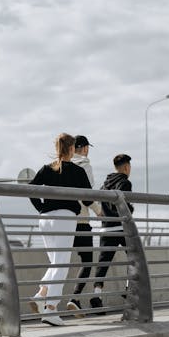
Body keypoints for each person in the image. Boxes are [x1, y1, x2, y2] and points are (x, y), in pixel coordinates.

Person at [28, 133, 93, 326]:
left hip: (45, 219)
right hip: (65, 218)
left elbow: (31, 189)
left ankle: (41, 295)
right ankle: (51, 309)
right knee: (61, 264)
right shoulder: (77, 171)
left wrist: (41, 208)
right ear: (72, 149)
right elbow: (88, 199)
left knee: (56, 262)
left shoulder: (47, 168)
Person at [91, 154, 134, 313]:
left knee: (103, 263)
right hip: (121, 227)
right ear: (126, 167)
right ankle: (129, 290)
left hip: (106, 227)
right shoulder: (125, 183)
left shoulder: (104, 184)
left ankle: (96, 295)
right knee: (134, 257)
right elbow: (125, 206)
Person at [67, 135, 103, 316]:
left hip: (63, 221)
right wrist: (98, 210)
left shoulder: (62, 165)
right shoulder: (84, 165)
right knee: (87, 260)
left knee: (60, 263)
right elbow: (86, 193)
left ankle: (45, 300)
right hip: (81, 220)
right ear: (84, 148)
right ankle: (74, 298)